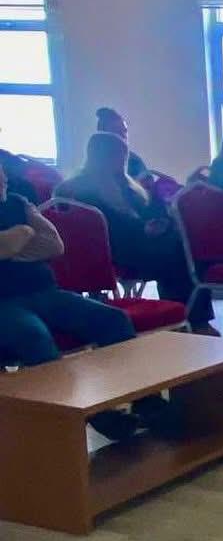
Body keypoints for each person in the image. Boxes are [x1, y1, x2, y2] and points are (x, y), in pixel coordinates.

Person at [0, 163, 168, 441]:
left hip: (45, 292)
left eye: (3, 173)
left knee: (113, 319)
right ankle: (88, 414)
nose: (4, 178)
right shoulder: (21, 212)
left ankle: (147, 401)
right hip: (4, 303)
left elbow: (53, 245)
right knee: (33, 335)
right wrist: (23, 235)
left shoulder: (19, 203)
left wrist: (12, 245)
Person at [55, 133, 218, 335]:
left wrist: (158, 217)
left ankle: (190, 317)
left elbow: (147, 211)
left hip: (139, 241)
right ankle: (193, 320)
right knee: (178, 254)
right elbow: (105, 226)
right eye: (117, 155)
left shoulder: (126, 185)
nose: (122, 161)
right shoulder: (79, 190)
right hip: (114, 250)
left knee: (187, 247)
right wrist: (143, 229)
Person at [96, 107, 147, 179]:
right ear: (102, 134)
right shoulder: (95, 163)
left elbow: (148, 182)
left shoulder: (134, 161)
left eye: (125, 130)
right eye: (116, 130)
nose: (123, 134)